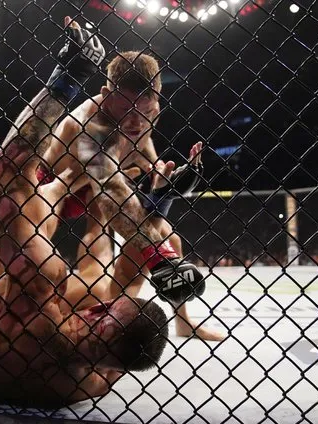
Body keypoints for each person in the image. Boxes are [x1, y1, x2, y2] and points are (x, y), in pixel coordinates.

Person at [0, 17, 170, 405]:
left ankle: (71, 185)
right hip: (54, 179)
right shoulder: (94, 380)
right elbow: (106, 245)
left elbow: (9, 163)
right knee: (61, 208)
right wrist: (154, 213)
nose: (136, 121)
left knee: (45, 236)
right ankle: (72, 188)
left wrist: (66, 79)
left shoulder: (36, 285)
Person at [40, 49, 222, 339]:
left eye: (145, 112)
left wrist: (158, 176)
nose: (137, 122)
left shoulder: (149, 110)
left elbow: (143, 144)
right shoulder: (92, 127)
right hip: (57, 184)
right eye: (127, 111)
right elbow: (111, 194)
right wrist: (159, 257)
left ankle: (183, 320)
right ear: (106, 95)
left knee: (168, 236)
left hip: (109, 174)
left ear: (155, 100)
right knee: (92, 258)